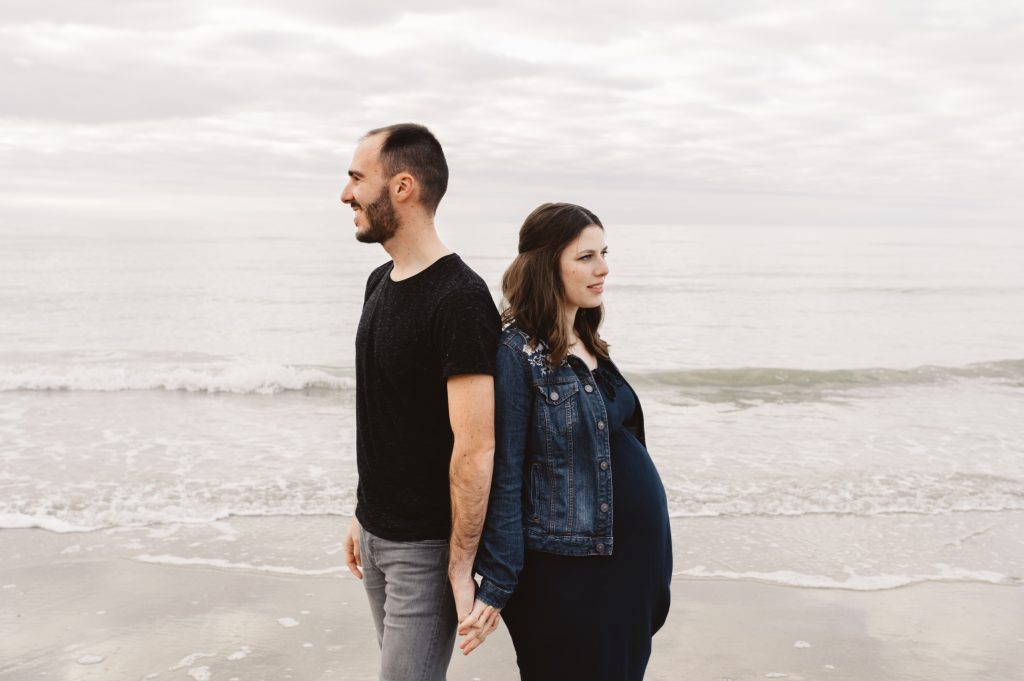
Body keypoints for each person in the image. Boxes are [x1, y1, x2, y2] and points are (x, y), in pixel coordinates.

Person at [460, 202, 673, 679]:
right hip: (569, 576)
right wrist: (497, 582)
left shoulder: (586, 337)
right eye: (586, 257)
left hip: (628, 564)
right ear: (545, 265)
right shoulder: (515, 355)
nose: (604, 268)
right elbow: (505, 473)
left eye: (604, 253)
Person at [339, 123, 501, 680]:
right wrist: (362, 513)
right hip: (377, 537)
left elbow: (476, 448)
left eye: (357, 179)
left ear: (402, 186)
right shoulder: (379, 282)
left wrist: (459, 565)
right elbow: (386, 414)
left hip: (424, 551)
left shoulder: (460, 299)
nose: (345, 195)